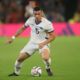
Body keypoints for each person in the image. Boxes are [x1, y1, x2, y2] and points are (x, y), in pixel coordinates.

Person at [6, 6, 56, 76]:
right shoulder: (30, 20)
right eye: (35, 14)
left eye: (38, 14)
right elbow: (22, 28)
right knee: (20, 59)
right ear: (33, 13)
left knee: (45, 58)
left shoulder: (47, 23)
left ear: (41, 13)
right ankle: (16, 73)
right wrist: (13, 37)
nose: (37, 16)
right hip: (32, 43)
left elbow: (53, 37)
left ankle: (48, 68)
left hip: (43, 42)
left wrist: (43, 43)